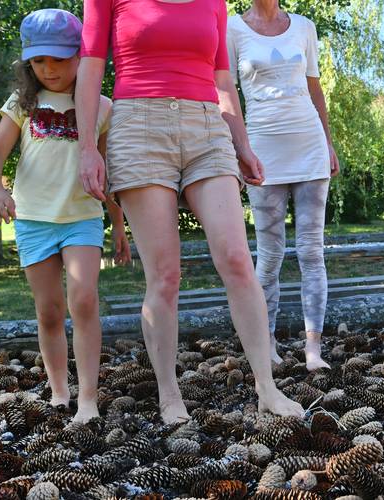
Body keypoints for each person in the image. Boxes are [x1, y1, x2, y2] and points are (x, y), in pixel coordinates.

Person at [77, 0, 304, 423]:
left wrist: (242, 144)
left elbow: (223, 81)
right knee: (165, 274)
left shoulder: (214, 1)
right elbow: (90, 67)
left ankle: (267, 389)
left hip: (206, 127)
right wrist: (87, 146)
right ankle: (169, 395)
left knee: (236, 258)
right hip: (139, 127)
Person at [0, 9, 130, 424]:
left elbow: (108, 170)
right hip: (33, 221)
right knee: (48, 310)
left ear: (81, 56)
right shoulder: (22, 104)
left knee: (84, 301)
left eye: (60, 59)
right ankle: (60, 392)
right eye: (39, 61)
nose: (49, 69)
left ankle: (88, 398)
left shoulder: (101, 107)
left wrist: (119, 223)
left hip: (82, 218)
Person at [227, 0, 339, 371]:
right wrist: (238, 149)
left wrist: (328, 142)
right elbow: (226, 92)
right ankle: (267, 344)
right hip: (262, 151)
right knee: (270, 255)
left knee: (311, 252)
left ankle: (313, 349)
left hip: (309, 147)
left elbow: (314, 87)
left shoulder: (304, 26)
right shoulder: (231, 29)